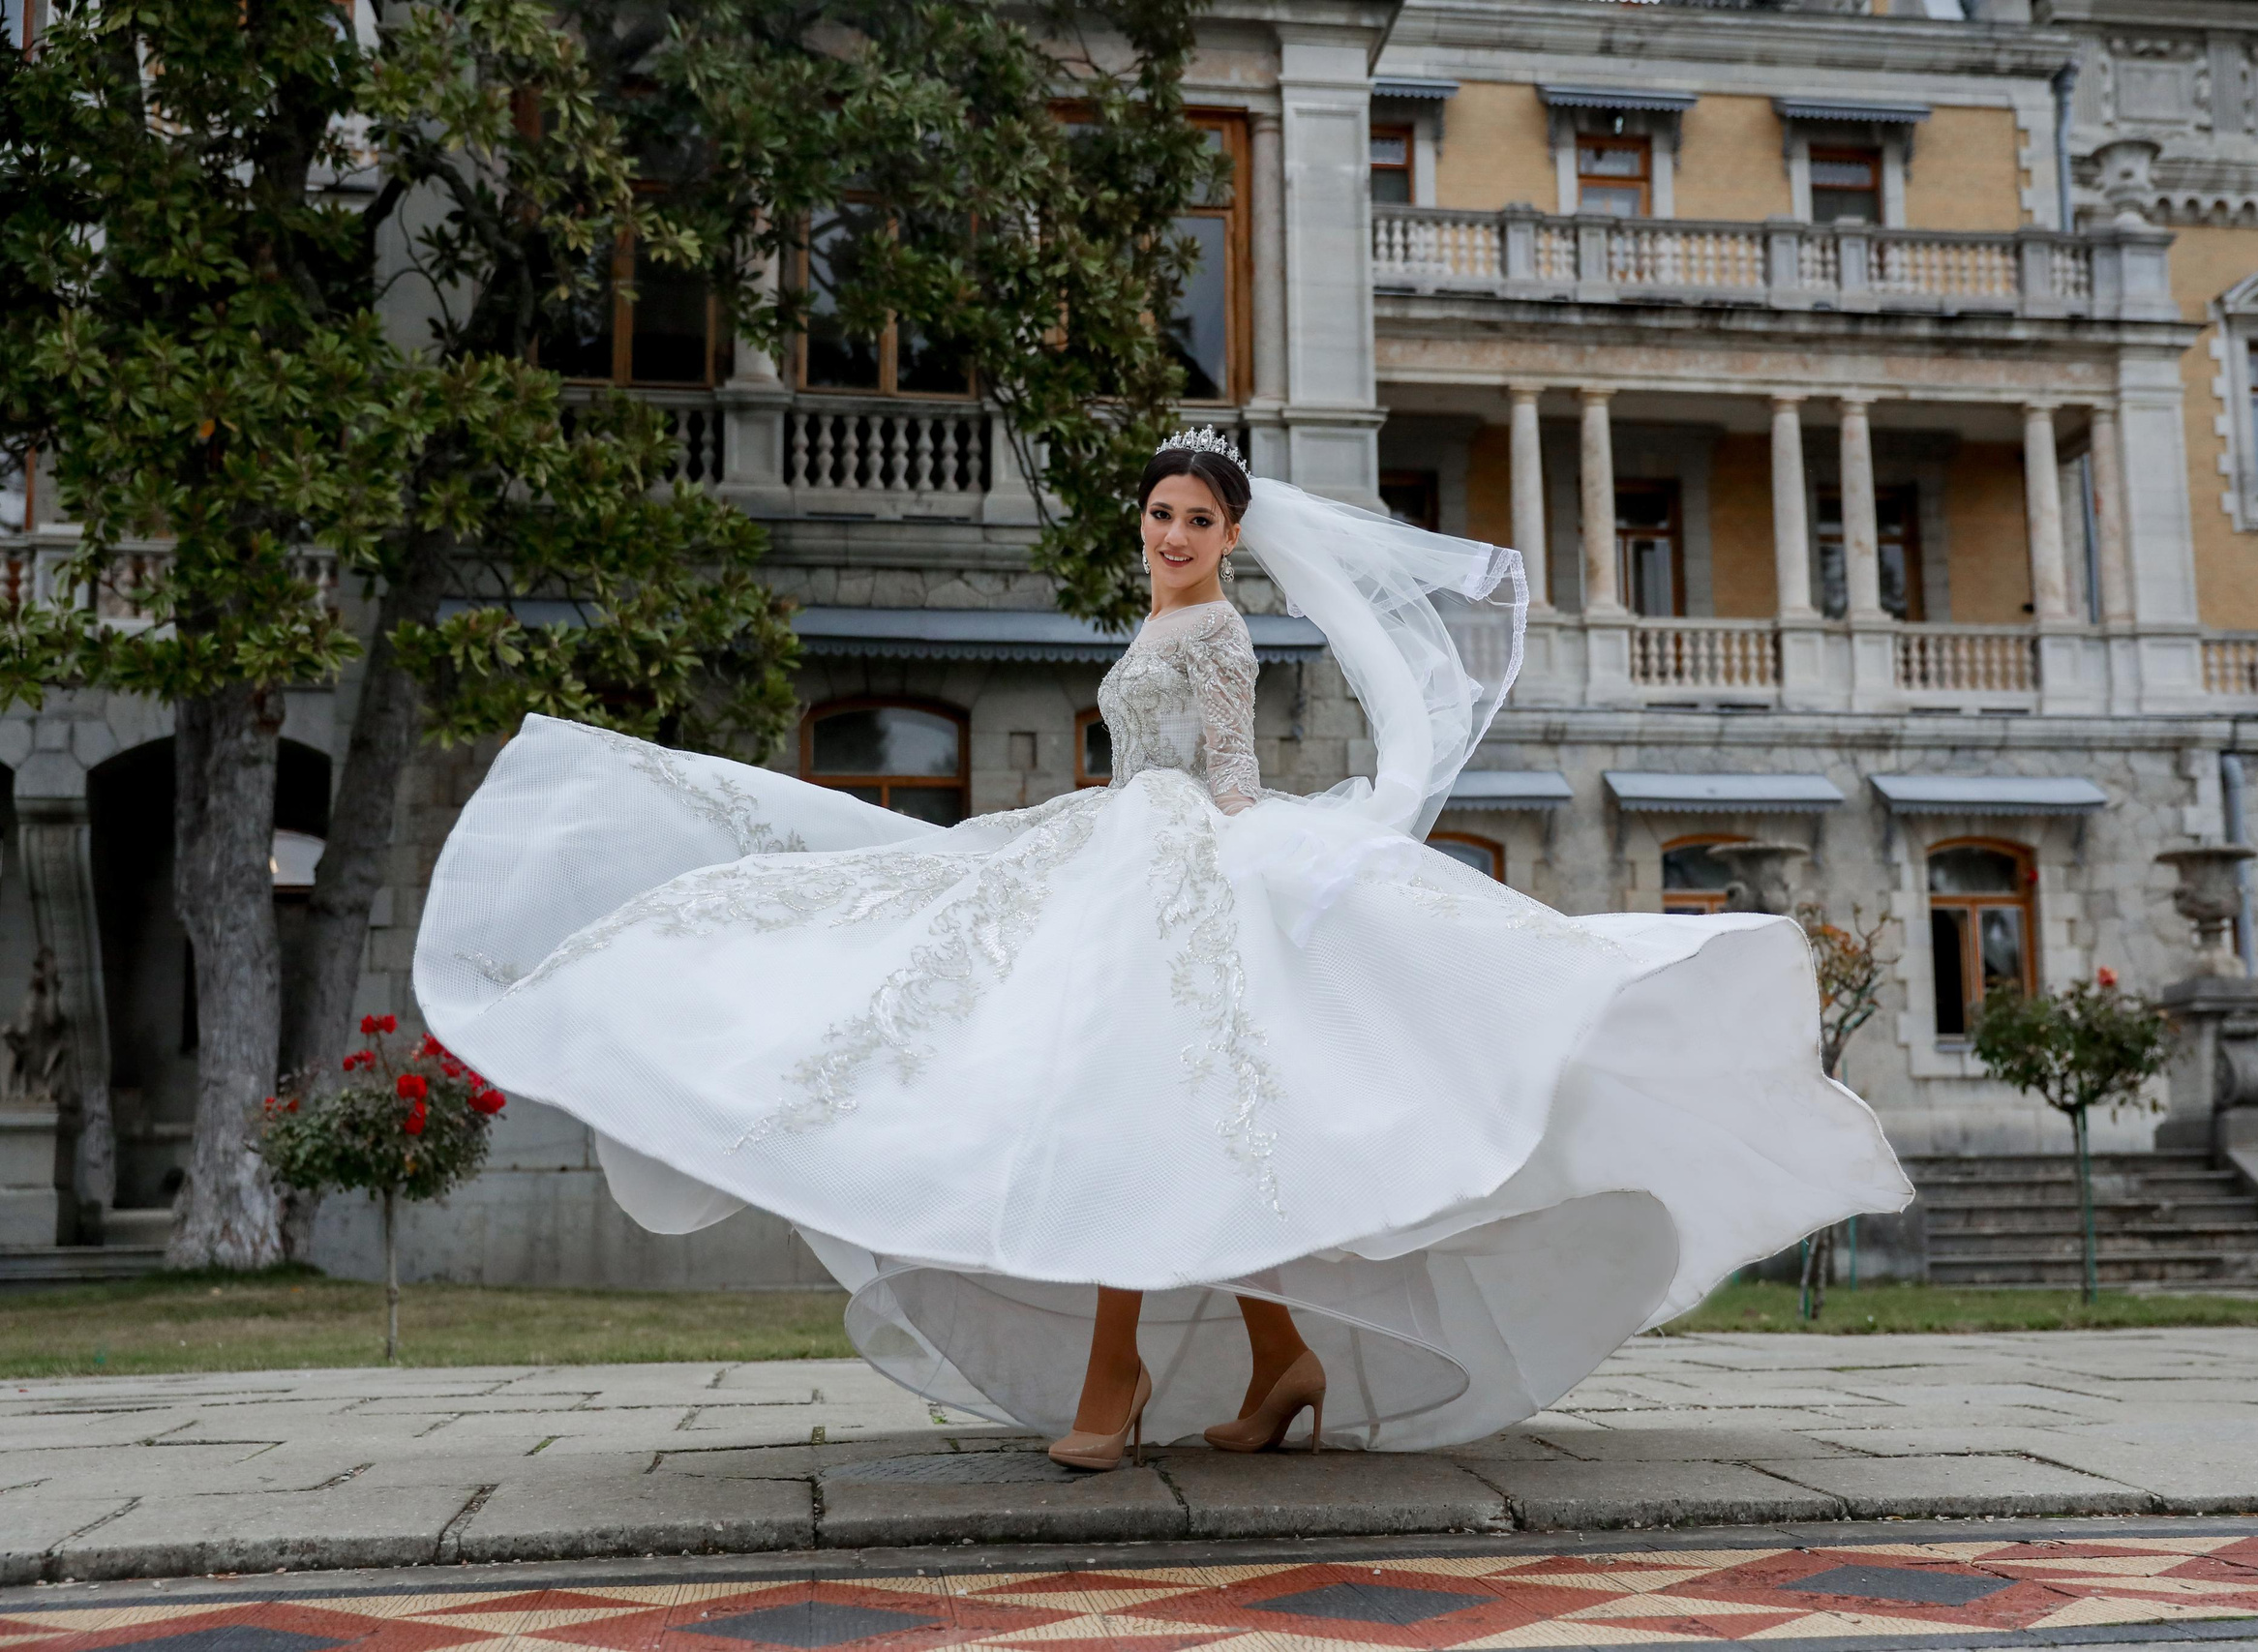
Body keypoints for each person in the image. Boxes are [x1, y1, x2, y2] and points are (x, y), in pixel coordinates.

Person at [412, 428, 1911, 1467]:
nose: (1173, 533)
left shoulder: (1217, 636)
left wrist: (1264, 864)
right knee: (1182, 1121)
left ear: (1232, 536)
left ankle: (1115, 1378)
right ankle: (1277, 1363)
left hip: (1180, 860)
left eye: (1197, 519)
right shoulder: (1150, 622)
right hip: (1120, 843)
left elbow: (1227, 776)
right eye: (1159, 513)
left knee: (1143, 1103)